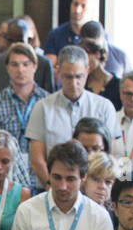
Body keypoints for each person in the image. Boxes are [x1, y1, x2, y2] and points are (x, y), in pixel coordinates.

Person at [25, 44, 116, 185]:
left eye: (78, 76)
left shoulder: (104, 107)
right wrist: (52, 187)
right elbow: (37, 160)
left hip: (95, 189)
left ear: (87, 71)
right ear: (58, 71)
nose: (74, 83)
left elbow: (112, 155)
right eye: (67, 77)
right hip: (53, 187)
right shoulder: (42, 108)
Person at [0, 42, 48, 189]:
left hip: (41, 175)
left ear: (35, 66)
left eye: (25, 64)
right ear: (7, 68)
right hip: (8, 176)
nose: (20, 70)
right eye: (14, 64)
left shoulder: (47, 102)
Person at [0, 19, 52, 95]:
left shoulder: (44, 63)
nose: (15, 44)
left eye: (20, 41)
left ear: (29, 41)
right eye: (11, 40)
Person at [42, 0, 87, 66]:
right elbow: (50, 69)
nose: (77, 10)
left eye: (83, 6)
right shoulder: (56, 34)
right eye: (75, 4)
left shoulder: (98, 37)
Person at [81, 38, 120, 110]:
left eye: (85, 57)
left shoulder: (118, 84)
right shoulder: (82, 84)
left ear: (97, 54)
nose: (82, 62)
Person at [82, 149, 118, 226]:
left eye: (108, 182)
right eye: (96, 179)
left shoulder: (115, 213)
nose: (102, 187)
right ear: (84, 179)